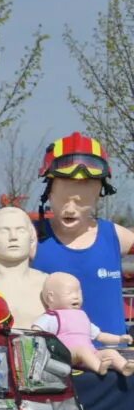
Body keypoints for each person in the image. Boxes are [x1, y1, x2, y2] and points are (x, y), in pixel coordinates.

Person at [32, 134, 132, 338]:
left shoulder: (115, 236)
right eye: (63, 199)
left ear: (98, 196)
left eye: (81, 201)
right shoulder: (31, 239)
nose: (70, 209)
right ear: (49, 195)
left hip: (113, 358)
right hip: (50, 361)